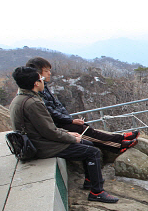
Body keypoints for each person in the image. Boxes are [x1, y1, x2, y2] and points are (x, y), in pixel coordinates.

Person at [10, 66, 119, 203]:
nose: (43, 81)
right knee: (93, 152)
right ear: (36, 83)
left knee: (89, 144)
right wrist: (71, 138)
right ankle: (97, 192)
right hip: (40, 146)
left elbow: (46, 128)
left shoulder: (19, 99)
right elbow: (49, 132)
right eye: (41, 79)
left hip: (34, 141)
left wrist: (68, 133)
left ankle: (90, 181)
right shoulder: (33, 103)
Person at [25, 57, 139, 153]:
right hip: (55, 127)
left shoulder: (43, 88)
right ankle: (120, 142)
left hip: (59, 122)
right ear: (37, 74)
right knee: (84, 131)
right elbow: (50, 112)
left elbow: (57, 106)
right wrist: (70, 121)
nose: (49, 73)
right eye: (46, 71)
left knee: (85, 128)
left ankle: (119, 141)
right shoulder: (36, 93)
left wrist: (69, 119)